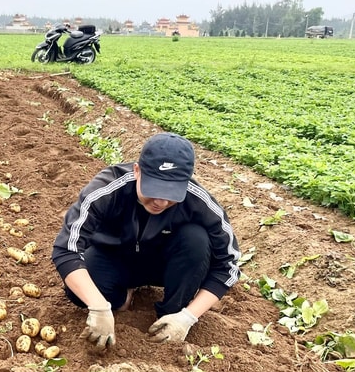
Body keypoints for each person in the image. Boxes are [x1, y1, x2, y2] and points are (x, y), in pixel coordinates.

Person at [52, 132, 240, 347]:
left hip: (167, 264)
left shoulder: (199, 201)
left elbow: (228, 265)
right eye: (154, 189)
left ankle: (172, 315)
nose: (160, 201)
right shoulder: (107, 189)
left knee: (196, 239)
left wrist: (188, 317)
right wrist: (98, 305)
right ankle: (122, 298)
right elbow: (66, 249)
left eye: (171, 193)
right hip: (115, 258)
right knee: (78, 293)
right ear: (137, 171)